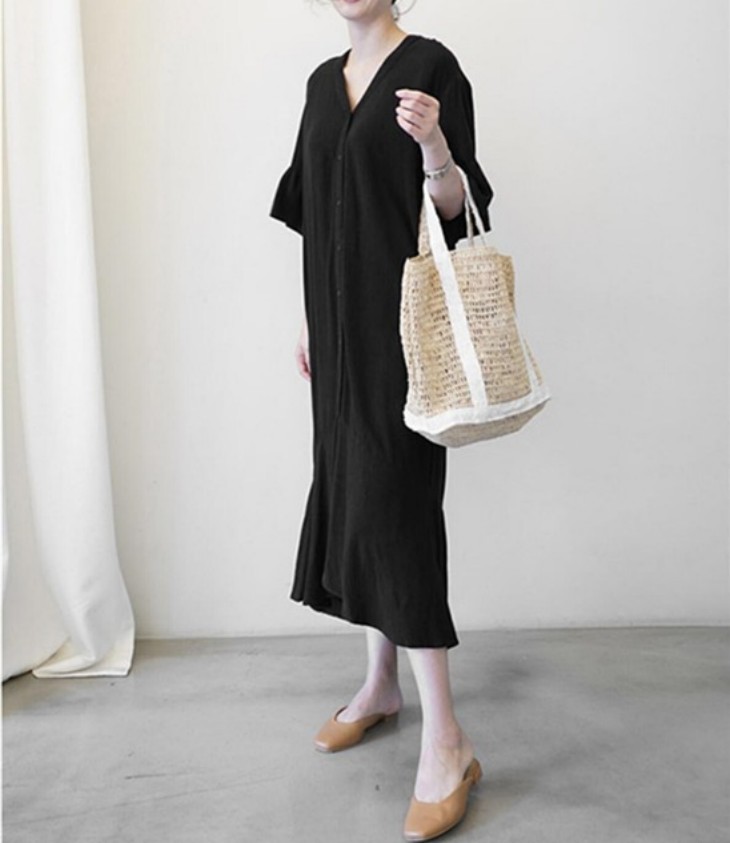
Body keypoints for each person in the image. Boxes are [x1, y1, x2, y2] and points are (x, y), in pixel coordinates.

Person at [270, 1, 494, 839]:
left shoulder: (432, 67)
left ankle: (448, 740)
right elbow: (315, 215)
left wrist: (435, 145)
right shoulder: (320, 85)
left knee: (395, 507)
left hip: (403, 330)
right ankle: (380, 685)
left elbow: (457, 207)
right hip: (336, 332)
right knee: (353, 494)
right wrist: (308, 320)